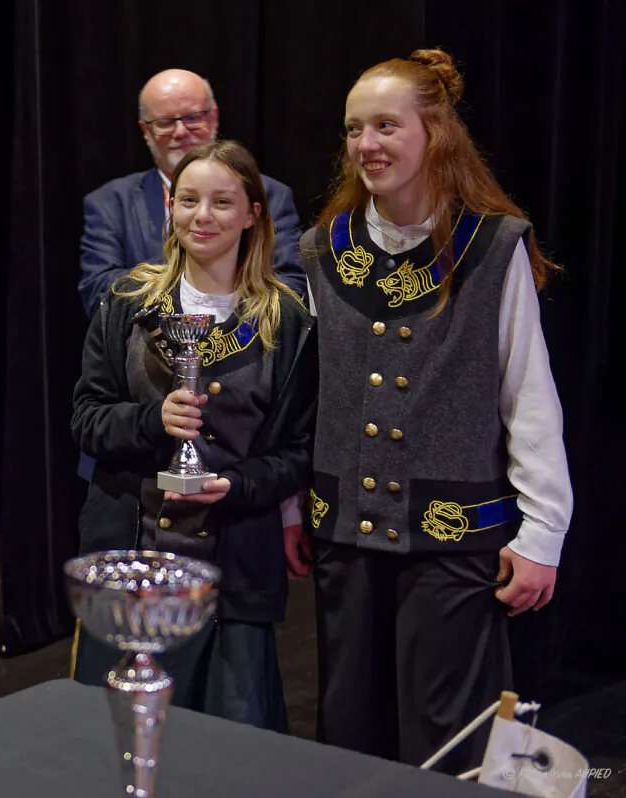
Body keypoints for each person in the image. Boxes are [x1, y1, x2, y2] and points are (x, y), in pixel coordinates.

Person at [301, 48, 573, 772]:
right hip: (347, 536)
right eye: (356, 129)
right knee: (348, 733)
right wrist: (293, 511)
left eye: (386, 125)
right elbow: (307, 395)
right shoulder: (324, 251)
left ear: (436, 134)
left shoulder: (492, 246)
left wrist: (543, 529)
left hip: (454, 538)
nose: (367, 144)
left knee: (450, 738)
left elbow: (529, 393)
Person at [70, 140, 317, 731]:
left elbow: (298, 453)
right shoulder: (127, 302)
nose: (201, 216)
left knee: (226, 761)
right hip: (131, 565)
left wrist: (235, 485)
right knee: (114, 748)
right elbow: (86, 418)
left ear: (254, 213)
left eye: (222, 202)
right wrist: (152, 423)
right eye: (188, 200)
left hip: (234, 574)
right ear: (170, 209)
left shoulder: (286, 319)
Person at [78, 68, 306, 318]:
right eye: (165, 122)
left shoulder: (269, 194)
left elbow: (293, 287)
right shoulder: (110, 202)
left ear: (214, 117)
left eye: (192, 118)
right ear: (145, 131)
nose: (180, 132)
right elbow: (98, 292)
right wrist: (188, 290)